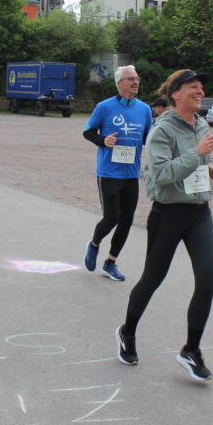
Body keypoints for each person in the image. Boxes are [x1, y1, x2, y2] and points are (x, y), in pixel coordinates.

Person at [115, 69, 213, 381]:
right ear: (176, 93)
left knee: (207, 282)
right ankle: (127, 332)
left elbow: (194, 164)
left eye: (201, 87)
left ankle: (191, 350)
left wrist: (210, 170)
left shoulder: (201, 124)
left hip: (199, 213)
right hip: (168, 214)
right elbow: (161, 175)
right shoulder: (161, 130)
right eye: (193, 87)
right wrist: (197, 154)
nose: (200, 92)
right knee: (152, 279)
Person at [82, 65, 154, 282]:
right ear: (119, 83)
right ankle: (94, 244)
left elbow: (148, 139)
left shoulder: (144, 110)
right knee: (112, 218)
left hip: (131, 174)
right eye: (131, 79)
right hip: (109, 173)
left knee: (126, 220)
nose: (136, 82)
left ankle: (110, 263)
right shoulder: (104, 107)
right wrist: (103, 140)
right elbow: (88, 132)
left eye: (137, 78)